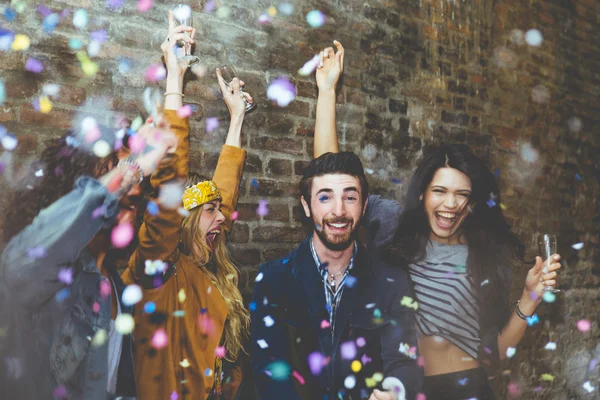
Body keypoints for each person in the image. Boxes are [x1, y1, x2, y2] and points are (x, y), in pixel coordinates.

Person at [313, 43, 562, 400]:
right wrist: (326, 91)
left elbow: (494, 355)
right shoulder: (392, 225)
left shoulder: (484, 256)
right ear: (422, 195)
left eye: (461, 194)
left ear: (472, 202)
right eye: (440, 191)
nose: (450, 204)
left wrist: (530, 297)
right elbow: (330, 179)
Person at [0, 104, 178, 399]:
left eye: (131, 203)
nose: (128, 197)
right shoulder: (46, 271)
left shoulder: (116, 287)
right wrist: (130, 171)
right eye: (117, 195)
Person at [120, 12, 254, 400]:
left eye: (219, 210)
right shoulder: (158, 269)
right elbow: (170, 183)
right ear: (185, 220)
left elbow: (223, 193)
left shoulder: (202, 262)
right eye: (209, 212)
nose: (222, 217)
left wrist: (236, 121)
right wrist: (174, 80)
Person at [250, 150, 422, 398]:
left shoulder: (392, 280)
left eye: (350, 197)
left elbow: (405, 360)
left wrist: (395, 392)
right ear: (306, 206)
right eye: (325, 198)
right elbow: (269, 371)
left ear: (363, 206)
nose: (339, 210)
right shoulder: (273, 279)